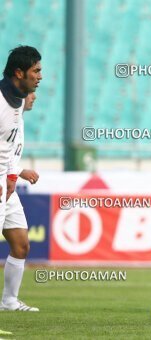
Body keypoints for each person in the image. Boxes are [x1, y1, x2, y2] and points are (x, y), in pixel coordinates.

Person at [0, 46, 41, 312]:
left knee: (21, 244)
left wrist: (17, 171)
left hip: (8, 180)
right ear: (18, 72)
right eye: (35, 71)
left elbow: (8, 143)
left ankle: (9, 301)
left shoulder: (19, 100)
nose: (40, 76)